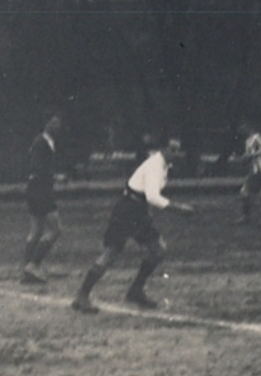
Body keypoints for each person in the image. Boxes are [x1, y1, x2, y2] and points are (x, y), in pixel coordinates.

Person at [71, 134, 194, 313]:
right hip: (127, 210)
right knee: (111, 253)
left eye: (177, 149)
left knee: (158, 249)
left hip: (138, 210)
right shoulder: (155, 166)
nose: (175, 153)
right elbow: (152, 196)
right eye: (171, 149)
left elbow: (147, 195)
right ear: (163, 149)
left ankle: (135, 291)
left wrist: (147, 214)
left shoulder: (163, 165)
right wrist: (179, 208)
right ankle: (82, 296)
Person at [20, 114, 64, 284]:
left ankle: (26, 270)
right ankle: (33, 265)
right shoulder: (41, 143)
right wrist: (56, 177)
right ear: (46, 123)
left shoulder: (44, 142)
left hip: (36, 189)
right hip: (41, 190)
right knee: (55, 229)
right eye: (53, 121)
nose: (57, 125)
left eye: (58, 122)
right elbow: (37, 168)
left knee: (36, 231)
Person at [236, 122, 261, 224]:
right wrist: (243, 158)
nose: (241, 130)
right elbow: (249, 154)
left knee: (256, 193)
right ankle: (250, 217)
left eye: (243, 127)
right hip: (254, 170)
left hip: (260, 170)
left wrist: (251, 155)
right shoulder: (248, 140)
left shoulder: (256, 137)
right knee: (252, 193)